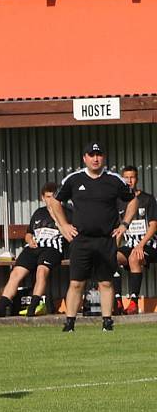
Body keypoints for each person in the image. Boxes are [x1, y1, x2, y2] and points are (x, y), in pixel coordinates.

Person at [47, 142, 136, 333]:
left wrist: (124, 225)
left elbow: (133, 200)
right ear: (84, 158)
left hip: (106, 239)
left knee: (105, 282)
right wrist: (64, 225)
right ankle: (70, 323)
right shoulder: (73, 179)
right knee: (77, 282)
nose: (95, 158)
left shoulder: (114, 180)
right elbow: (54, 202)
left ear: (103, 158)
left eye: (99, 155)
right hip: (82, 239)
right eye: (91, 155)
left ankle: (107, 323)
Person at [0, 182, 69, 318]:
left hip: (52, 247)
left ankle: (32, 307)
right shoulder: (38, 213)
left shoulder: (66, 212)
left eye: (53, 197)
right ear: (43, 198)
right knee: (16, 273)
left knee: (41, 271)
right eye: (47, 197)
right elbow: (28, 233)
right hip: (33, 247)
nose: (50, 200)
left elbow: (69, 235)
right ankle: (1, 308)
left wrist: (57, 218)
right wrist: (29, 240)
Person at [112, 165, 157, 315]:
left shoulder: (148, 199)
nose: (129, 180)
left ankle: (133, 302)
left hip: (149, 245)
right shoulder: (119, 202)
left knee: (133, 258)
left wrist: (141, 245)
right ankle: (117, 301)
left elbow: (153, 226)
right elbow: (118, 229)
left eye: (132, 177)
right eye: (126, 178)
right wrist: (113, 248)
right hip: (130, 245)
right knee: (111, 257)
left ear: (137, 179)